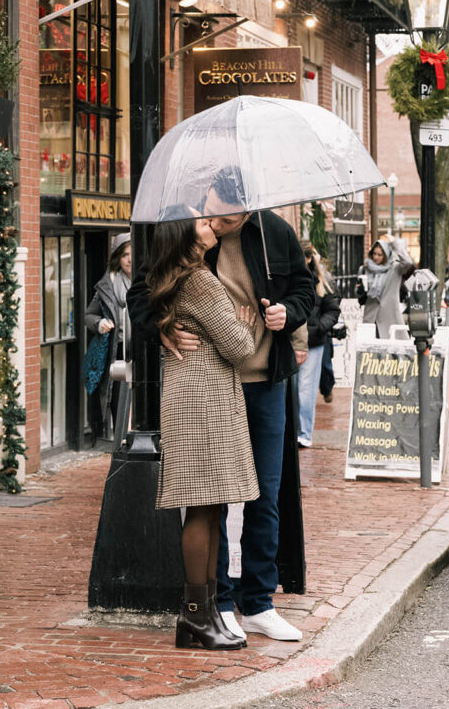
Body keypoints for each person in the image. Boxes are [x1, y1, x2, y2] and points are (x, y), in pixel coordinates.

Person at [128, 167, 314, 642]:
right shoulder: (186, 233)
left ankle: (258, 602)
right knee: (214, 498)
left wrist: (285, 313)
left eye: (229, 220)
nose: (217, 224)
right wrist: (162, 327)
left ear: (249, 209)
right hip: (211, 387)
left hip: (263, 380)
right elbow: (143, 294)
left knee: (262, 494)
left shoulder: (274, 231)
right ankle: (219, 603)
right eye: (212, 215)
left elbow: (305, 290)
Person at [148, 209, 259, 650]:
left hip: (196, 400)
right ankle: (195, 615)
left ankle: (207, 610)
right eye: (200, 222)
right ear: (183, 234)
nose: (210, 224)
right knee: (201, 508)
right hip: (203, 402)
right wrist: (244, 324)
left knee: (208, 507)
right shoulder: (200, 281)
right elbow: (239, 347)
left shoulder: (182, 277)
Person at [84, 232, 132, 443]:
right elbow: (89, 315)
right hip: (118, 351)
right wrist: (99, 324)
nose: (130, 259)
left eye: (133, 254)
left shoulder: (151, 280)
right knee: (119, 404)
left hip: (144, 351)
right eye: (124, 255)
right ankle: (120, 448)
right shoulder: (108, 285)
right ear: (117, 259)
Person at [296, 240, 341, 446]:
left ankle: (304, 433)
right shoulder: (289, 278)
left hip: (314, 341)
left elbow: (332, 308)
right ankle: (296, 430)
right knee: (295, 389)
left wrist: (320, 327)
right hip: (291, 341)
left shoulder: (323, 281)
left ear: (308, 258)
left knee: (306, 389)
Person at [356, 236, 414, 340]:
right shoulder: (365, 269)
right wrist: (359, 291)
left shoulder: (395, 268)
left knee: (392, 352)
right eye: (374, 254)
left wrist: (396, 245)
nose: (376, 257)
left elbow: (408, 263)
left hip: (390, 317)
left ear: (386, 255)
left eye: (380, 255)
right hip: (371, 316)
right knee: (369, 351)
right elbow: (359, 294)